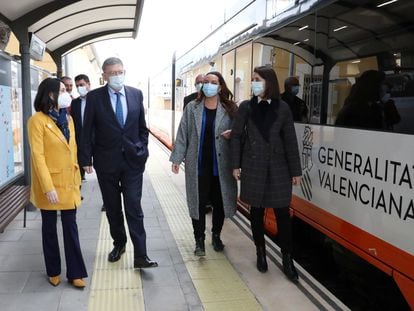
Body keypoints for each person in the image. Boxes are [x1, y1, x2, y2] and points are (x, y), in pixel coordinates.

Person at [79, 57, 157, 269]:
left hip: (133, 162)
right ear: (104, 75)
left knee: (134, 206)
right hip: (106, 163)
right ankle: (119, 243)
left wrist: (143, 149)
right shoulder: (94, 97)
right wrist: (86, 159)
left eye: (120, 71)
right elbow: (87, 130)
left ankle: (141, 255)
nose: (117, 76)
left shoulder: (135, 94)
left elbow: (142, 127)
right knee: (113, 208)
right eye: (112, 73)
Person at [230, 66, 302, 282]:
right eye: (252, 79)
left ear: (269, 82)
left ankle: (287, 259)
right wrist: (236, 165)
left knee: (282, 214)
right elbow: (235, 136)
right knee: (256, 212)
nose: (253, 83)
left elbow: (290, 139)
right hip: (253, 165)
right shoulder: (246, 107)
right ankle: (260, 253)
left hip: (279, 167)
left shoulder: (283, 108)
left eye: (257, 79)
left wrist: (296, 171)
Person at [27, 77, 87, 288]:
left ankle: (76, 272)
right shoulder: (36, 121)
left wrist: (78, 177)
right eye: (62, 90)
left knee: (71, 227)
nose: (66, 93)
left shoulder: (67, 119)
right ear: (50, 94)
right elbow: (38, 156)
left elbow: (73, 149)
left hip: (69, 183)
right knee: (49, 229)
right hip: (50, 185)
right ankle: (53, 270)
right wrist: (47, 186)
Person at [170, 71, 238, 256]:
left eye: (213, 82)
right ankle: (199, 240)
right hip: (198, 165)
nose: (208, 85)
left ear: (220, 86)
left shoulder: (230, 108)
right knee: (197, 203)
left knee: (220, 202)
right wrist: (177, 158)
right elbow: (183, 133)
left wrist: (234, 133)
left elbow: (241, 132)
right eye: (205, 82)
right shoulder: (192, 107)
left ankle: (216, 235)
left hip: (221, 165)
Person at [71, 74, 91, 182]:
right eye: (77, 86)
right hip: (80, 138)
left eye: (82, 85)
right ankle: (80, 179)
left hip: (97, 139)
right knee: (80, 164)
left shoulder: (97, 99)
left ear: (88, 84)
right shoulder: (75, 103)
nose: (80, 88)